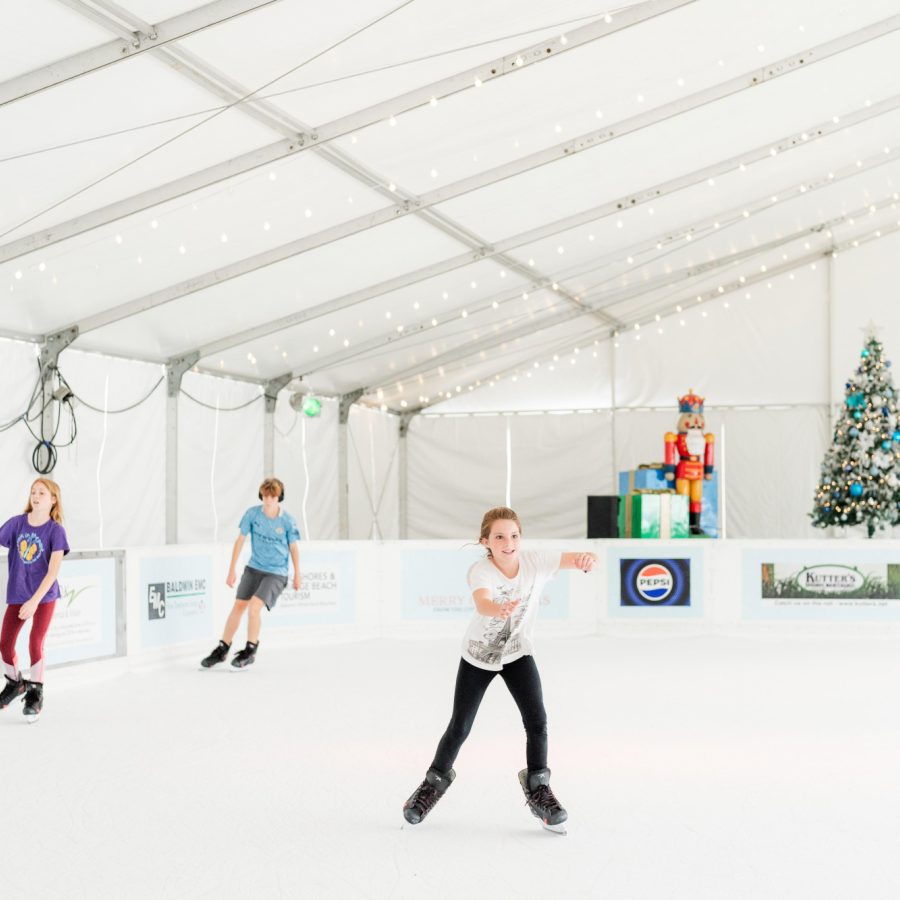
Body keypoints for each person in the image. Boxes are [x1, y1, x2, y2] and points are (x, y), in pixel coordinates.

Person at [402, 507, 597, 832]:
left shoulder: (535, 562)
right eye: (500, 537)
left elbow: (579, 557)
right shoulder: (482, 571)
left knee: (537, 722)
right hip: (479, 656)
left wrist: (587, 560)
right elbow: (482, 602)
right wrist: (498, 608)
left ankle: (539, 790)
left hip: (518, 653)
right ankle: (430, 786)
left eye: (514, 536)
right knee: (460, 728)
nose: (509, 543)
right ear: (486, 542)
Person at [201, 478, 300, 669]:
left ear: (279, 497)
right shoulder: (253, 515)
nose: (268, 500)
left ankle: (250, 650)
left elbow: (294, 548)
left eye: (272, 496)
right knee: (239, 605)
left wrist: (297, 574)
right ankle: (223, 648)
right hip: (254, 568)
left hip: (276, 573)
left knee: (254, 607)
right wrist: (231, 569)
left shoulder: (287, 521)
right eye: (265, 496)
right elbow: (240, 541)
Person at [0, 478, 70, 720]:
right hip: (18, 594)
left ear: (53, 500)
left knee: (35, 640)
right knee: (5, 643)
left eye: (42, 492)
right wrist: (24, 600)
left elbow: (53, 572)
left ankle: (35, 692)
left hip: (44, 596)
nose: (36, 496)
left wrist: (34, 601)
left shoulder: (56, 531)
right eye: (33, 492)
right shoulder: (17, 524)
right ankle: (14, 683)